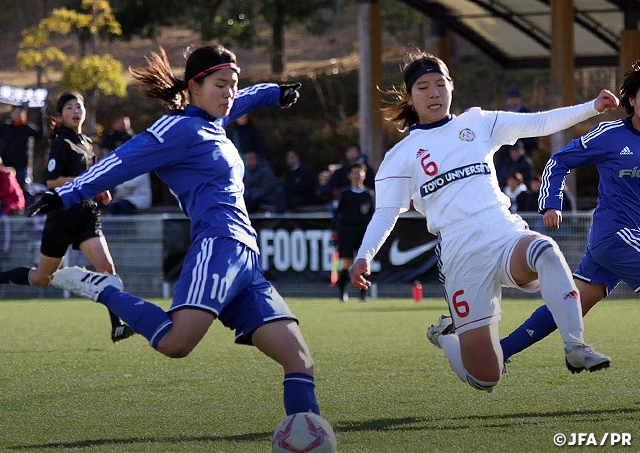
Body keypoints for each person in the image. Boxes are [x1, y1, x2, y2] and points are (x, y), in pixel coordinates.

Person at [31, 45, 321, 418]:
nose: (229, 92)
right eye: (220, 84)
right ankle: (105, 290)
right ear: (194, 86)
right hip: (218, 244)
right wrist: (68, 193)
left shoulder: (216, 121)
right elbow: (125, 159)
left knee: (299, 359)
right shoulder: (179, 128)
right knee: (175, 342)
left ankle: (306, 433)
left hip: (247, 259)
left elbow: (244, 99)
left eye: (233, 83)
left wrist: (274, 93)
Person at [348, 50, 616, 393]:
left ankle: (575, 346)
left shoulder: (476, 123)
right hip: (461, 252)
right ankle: (447, 335)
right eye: (423, 87)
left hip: (500, 229)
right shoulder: (400, 156)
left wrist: (591, 107)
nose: (433, 93)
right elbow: (386, 213)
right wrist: (363, 257)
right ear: (411, 98)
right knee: (486, 379)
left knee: (545, 250)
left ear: (451, 87)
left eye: (439, 84)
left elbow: (538, 122)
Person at [500, 59, 640, 364]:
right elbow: (559, 160)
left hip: (626, 243)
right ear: (632, 99)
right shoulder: (610, 134)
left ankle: (499, 351)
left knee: (569, 305)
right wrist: (551, 202)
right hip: (614, 235)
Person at [0, 92, 134, 343]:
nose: (76, 111)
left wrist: (99, 190)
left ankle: (118, 325)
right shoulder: (61, 142)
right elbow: (52, 181)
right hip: (61, 217)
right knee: (42, 278)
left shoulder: (86, 142)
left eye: (79, 106)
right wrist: (86, 183)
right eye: (69, 107)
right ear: (60, 116)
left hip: (85, 216)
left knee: (107, 269)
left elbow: (90, 180)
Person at [331, 162, 374, 302]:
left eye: (360, 172)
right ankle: (342, 292)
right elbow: (338, 215)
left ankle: (363, 293)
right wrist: (335, 232)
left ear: (364, 174)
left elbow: (373, 216)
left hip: (364, 232)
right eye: (354, 172)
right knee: (346, 263)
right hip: (347, 232)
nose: (357, 175)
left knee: (364, 263)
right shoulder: (345, 194)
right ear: (349, 175)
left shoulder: (369, 194)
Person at [0, 105, 43, 205]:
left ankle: (26, 215)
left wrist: (41, 114)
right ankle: (6, 214)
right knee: (6, 189)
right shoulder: (6, 126)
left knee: (25, 188)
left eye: (20, 112)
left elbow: (40, 135)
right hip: (7, 166)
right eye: (15, 112)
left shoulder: (27, 128)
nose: (18, 114)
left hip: (22, 165)